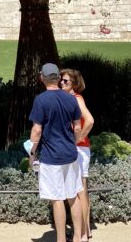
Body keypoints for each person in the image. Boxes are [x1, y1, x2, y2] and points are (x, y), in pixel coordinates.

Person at [29, 63, 84, 242]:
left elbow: (37, 130)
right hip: (70, 154)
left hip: (51, 157)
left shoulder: (41, 100)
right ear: (59, 78)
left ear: (42, 78)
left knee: (56, 199)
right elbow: (77, 127)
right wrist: (72, 143)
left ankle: (60, 239)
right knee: (73, 196)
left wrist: (31, 153)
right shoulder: (71, 98)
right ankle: (77, 237)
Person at [61, 69, 95, 242]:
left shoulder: (76, 99)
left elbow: (89, 120)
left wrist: (78, 139)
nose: (62, 83)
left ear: (74, 84)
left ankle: (81, 234)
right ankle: (84, 231)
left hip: (80, 149)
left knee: (79, 191)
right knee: (82, 190)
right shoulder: (71, 99)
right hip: (80, 148)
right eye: (61, 80)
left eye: (66, 81)